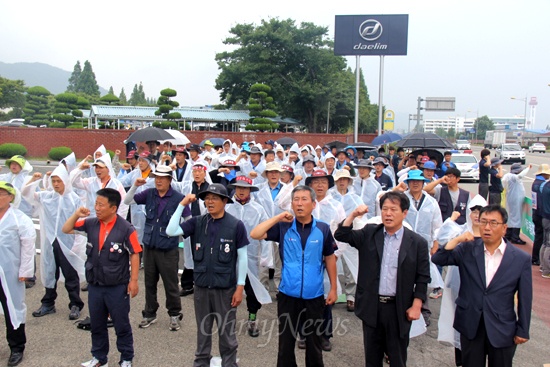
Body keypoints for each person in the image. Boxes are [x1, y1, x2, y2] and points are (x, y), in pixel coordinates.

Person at [334, 191, 430, 367]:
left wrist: (417, 305)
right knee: (372, 358)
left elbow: (423, 277)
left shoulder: (417, 243)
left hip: (399, 308)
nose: (388, 213)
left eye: (393, 209)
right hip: (372, 306)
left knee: (398, 358)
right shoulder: (371, 233)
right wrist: (354, 215)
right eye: (384, 209)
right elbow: (341, 235)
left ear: (405, 212)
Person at [432, 205, 532, 367]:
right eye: (483, 222)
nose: (487, 227)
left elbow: (525, 297)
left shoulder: (520, 259)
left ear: (504, 228)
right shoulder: (467, 249)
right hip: (471, 325)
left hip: (502, 328)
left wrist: (523, 329)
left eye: (493, 223)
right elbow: (438, 259)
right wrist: (457, 240)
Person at [250, 185, 338, 367]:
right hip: (287, 294)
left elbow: (329, 257)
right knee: (286, 343)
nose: (299, 204)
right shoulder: (284, 228)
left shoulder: (323, 229)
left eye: (304, 199)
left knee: (314, 343)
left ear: (313, 204)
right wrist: (279, 217)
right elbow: (255, 233)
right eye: (295, 200)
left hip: (314, 295)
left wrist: (334, 289)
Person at [166, 184, 248, 367]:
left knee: (226, 332)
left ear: (225, 201)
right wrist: (182, 205)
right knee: (203, 331)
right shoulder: (197, 222)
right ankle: (201, 363)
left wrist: (240, 286)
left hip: (225, 288)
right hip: (202, 287)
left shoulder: (236, 225)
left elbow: (242, 258)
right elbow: (171, 231)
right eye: (207, 198)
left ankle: (229, 363)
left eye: (214, 198)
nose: (209, 202)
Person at [62, 188, 141, 367]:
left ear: (113, 208)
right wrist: (76, 214)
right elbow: (66, 229)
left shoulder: (126, 228)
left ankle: (126, 358)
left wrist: (134, 281)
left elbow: (135, 253)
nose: (97, 208)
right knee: (97, 324)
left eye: (101, 205)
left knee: (121, 325)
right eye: (96, 203)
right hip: (95, 284)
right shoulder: (91, 223)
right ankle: (99, 358)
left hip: (117, 286)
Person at [124, 165, 187, 331]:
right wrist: (135, 185)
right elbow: (127, 201)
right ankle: (149, 313)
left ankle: (175, 314)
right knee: (149, 282)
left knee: (171, 283)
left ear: (169, 180)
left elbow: (188, 218)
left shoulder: (178, 197)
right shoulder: (149, 194)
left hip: (168, 248)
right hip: (150, 246)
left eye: (162, 178)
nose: (158, 181)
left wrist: (179, 232)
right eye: (156, 177)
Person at [22, 165, 85, 321]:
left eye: (59, 181)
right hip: (50, 242)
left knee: (71, 275)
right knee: (50, 272)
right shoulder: (47, 197)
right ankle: (48, 303)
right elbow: (26, 194)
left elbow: (81, 223)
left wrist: (77, 245)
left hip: (67, 244)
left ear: (65, 181)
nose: (56, 184)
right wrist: (33, 180)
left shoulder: (74, 199)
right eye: (54, 181)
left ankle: (75, 304)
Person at [436, 194, 487, 367]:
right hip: (459, 285)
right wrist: (452, 223)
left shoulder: (491, 238)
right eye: (474, 211)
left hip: (482, 290)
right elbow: (441, 242)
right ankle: (461, 358)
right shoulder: (460, 231)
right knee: (461, 321)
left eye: (481, 211)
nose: (477, 215)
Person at [226, 175, 271, 337]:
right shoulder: (227, 207)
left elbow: (266, 234)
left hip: (251, 257)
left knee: (252, 291)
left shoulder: (258, 210)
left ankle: (252, 319)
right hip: (228, 257)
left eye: (245, 188)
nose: (241, 191)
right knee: (228, 289)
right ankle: (229, 319)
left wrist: (266, 257)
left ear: (250, 190)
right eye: (238, 188)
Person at [0, 181, 35, 367]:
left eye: (2, 194)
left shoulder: (19, 219)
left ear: (11, 197)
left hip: (10, 273)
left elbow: (29, 247)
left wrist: (25, 271)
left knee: (13, 309)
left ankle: (16, 347)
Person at [502, 163, 531, 245]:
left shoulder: (508, 176)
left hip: (512, 199)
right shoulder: (514, 177)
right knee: (517, 217)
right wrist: (528, 168)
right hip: (516, 199)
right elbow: (520, 176)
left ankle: (509, 235)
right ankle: (515, 237)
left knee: (511, 217)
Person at [531, 164, 550, 266]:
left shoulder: (536, 183)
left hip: (536, 212)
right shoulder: (542, 185)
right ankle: (536, 258)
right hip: (540, 214)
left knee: (540, 237)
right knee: (542, 238)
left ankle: (537, 259)